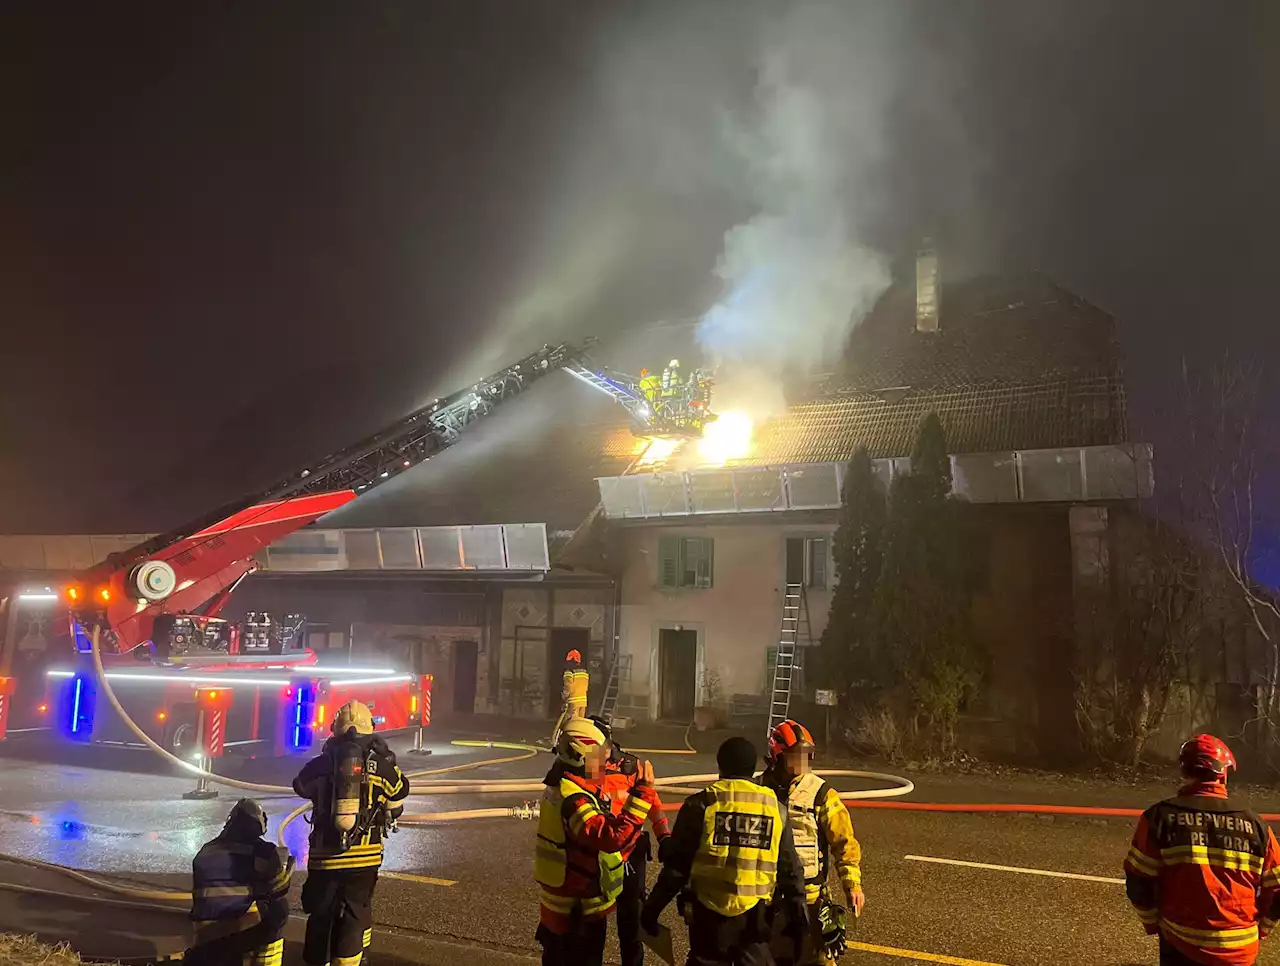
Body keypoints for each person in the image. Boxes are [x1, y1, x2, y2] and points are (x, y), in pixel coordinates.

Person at [643, 736, 807, 966]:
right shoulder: (774, 808)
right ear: (753, 768)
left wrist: (652, 910)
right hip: (755, 921)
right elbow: (790, 868)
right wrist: (799, 913)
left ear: (720, 765)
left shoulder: (702, 804)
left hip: (708, 919)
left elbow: (677, 869)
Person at [1125, 733, 1280, 966]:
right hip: (1240, 951)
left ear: (1185, 772)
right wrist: (1262, 929)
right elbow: (1277, 888)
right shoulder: (1257, 825)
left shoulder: (1159, 818)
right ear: (1223, 773)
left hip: (1181, 943)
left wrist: (1153, 923)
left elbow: (1138, 881)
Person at [293, 700, 410, 966]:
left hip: (324, 856)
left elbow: (299, 786)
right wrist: (385, 759)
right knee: (355, 914)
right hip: (364, 857)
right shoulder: (381, 766)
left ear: (336, 730)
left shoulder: (319, 765)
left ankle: (315, 961)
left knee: (321, 914)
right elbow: (400, 792)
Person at [535, 716, 659, 966]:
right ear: (582, 757)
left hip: (564, 906)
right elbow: (610, 838)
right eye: (600, 755)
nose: (606, 760)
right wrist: (642, 795)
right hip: (576, 910)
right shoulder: (575, 799)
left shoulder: (565, 783)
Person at [759, 719, 864, 966]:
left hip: (810, 899)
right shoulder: (758, 790)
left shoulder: (821, 793)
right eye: (796, 756)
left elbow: (844, 842)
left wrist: (853, 886)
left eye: (807, 756)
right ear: (778, 755)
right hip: (767, 898)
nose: (802, 763)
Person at [589, 715, 671, 966]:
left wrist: (664, 836)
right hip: (599, 852)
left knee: (631, 923)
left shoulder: (632, 767)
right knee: (594, 922)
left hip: (630, 854)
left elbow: (653, 803)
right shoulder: (587, 765)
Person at [187, 798, 293, 966]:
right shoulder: (263, 851)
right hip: (238, 929)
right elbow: (281, 888)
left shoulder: (206, 849)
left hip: (202, 933)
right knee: (279, 911)